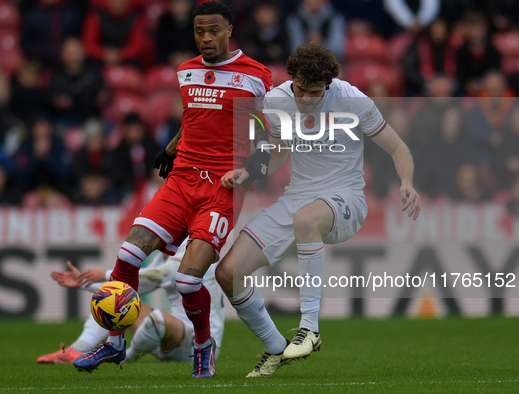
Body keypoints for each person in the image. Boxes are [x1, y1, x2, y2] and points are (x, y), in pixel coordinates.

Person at [72, 1, 272, 378]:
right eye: (199, 31)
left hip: (221, 187)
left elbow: (266, 129)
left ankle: (202, 345)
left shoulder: (256, 75)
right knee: (129, 253)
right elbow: (194, 117)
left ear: (229, 29)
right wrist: (170, 147)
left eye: (214, 30)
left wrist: (253, 166)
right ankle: (115, 342)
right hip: (181, 180)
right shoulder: (186, 71)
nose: (206, 38)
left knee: (186, 279)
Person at [217, 43, 421, 377]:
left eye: (314, 92)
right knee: (228, 273)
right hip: (297, 195)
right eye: (300, 90)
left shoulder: (352, 99)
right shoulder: (276, 99)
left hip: (346, 198)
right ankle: (274, 347)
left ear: (328, 84)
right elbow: (278, 151)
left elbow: (398, 147)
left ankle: (309, 328)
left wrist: (407, 182)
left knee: (306, 220)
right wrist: (250, 170)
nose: (305, 99)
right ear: (292, 79)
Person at [37, 241, 225, 366]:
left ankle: (125, 357)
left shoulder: (194, 248)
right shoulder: (164, 255)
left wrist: (105, 274)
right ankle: (76, 350)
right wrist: (83, 283)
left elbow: (159, 275)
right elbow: (132, 287)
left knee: (157, 319)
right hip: (170, 336)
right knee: (113, 302)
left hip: (201, 343)